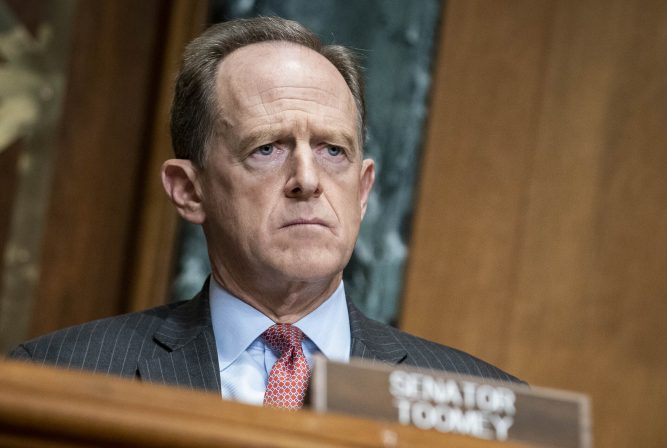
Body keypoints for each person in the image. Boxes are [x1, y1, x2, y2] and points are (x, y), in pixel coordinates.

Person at [8, 16, 521, 409]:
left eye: (332, 151)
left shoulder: (489, 408)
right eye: (267, 148)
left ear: (363, 191)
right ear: (189, 190)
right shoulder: (57, 378)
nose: (308, 179)